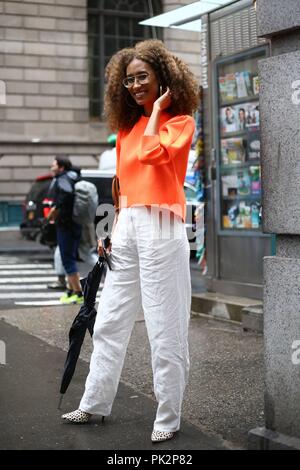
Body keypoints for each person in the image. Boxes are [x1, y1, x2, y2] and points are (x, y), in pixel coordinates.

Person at [61, 39, 199, 443]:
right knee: (109, 321)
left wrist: (157, 112)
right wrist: (111, 230)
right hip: (127, 226)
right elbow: (122, 185)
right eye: (129, 80)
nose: (135, 85)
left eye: (143, 77)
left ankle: (168, 416)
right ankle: (94, 403)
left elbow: (156, 156)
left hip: (162, 225)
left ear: (164, 78)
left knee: (164, 325)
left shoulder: (180, 122)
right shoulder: (126, 128)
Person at [47, 157, 83, 305]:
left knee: (67, 259)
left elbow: (66, 194)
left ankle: (78, 292)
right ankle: (71, 291)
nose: (51, 166)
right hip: (74, 223)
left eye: (54, 164)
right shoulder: (73, 176)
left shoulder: (63, 178)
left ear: (61, 167)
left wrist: (55, 209)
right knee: (68, 257)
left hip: (66, 224)